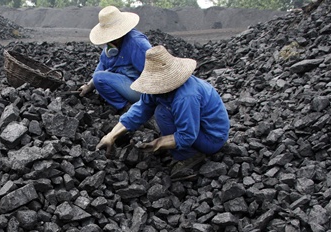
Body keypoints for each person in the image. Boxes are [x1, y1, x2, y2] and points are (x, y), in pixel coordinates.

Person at [96, 46, 230, 177]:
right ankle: (180, 147)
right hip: (198, 126)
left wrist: (157, 144)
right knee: (161, 109)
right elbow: (140, 109)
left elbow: (187, 135)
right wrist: (111, 135)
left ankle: (190, 156)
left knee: (162, 112)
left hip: (212, 137)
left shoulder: (186, 97)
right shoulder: (157, 89)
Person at [77, 6, 152, 111]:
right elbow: (102, 66)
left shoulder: (137, 43)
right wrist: (88, 86)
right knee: (98, 77)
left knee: (99, 78)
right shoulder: (111, 46)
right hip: (128, 85)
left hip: (144, 91)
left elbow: (154, 72)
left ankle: (127, 108)